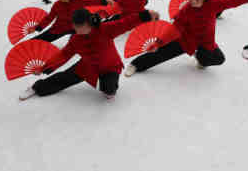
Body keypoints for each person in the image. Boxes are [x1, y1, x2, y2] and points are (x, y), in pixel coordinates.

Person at [124, 0, 248, 77]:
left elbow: (233, 1)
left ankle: (200, 58)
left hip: (205, 42)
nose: (190, 0)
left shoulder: (213, 4)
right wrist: (159, 42)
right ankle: (136, 65)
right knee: (161, 53)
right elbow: (175, 28)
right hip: (186, 39)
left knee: (219, 59)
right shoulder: (186, 10)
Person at [19, 8, 160, 101]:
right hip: (87, 66)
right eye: (75, 27)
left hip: (109, 66)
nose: (77, 30)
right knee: (64, 77)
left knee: (109, 92)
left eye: (81, 27)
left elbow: (125, 23)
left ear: (89, 24)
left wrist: (145, 15)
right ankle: (36, 88)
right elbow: (63, 55)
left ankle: (108, 86)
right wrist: (44, 68)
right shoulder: (75, 39)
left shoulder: (105, 29)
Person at [30, 0, 115, 42]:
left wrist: (105, 0)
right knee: (37, 41)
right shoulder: (57, 4)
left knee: (85, 39)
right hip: (59, 28)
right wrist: (38, 27)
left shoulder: (78, 1)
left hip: (76, 28)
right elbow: (49, 18)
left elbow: (91, 0)